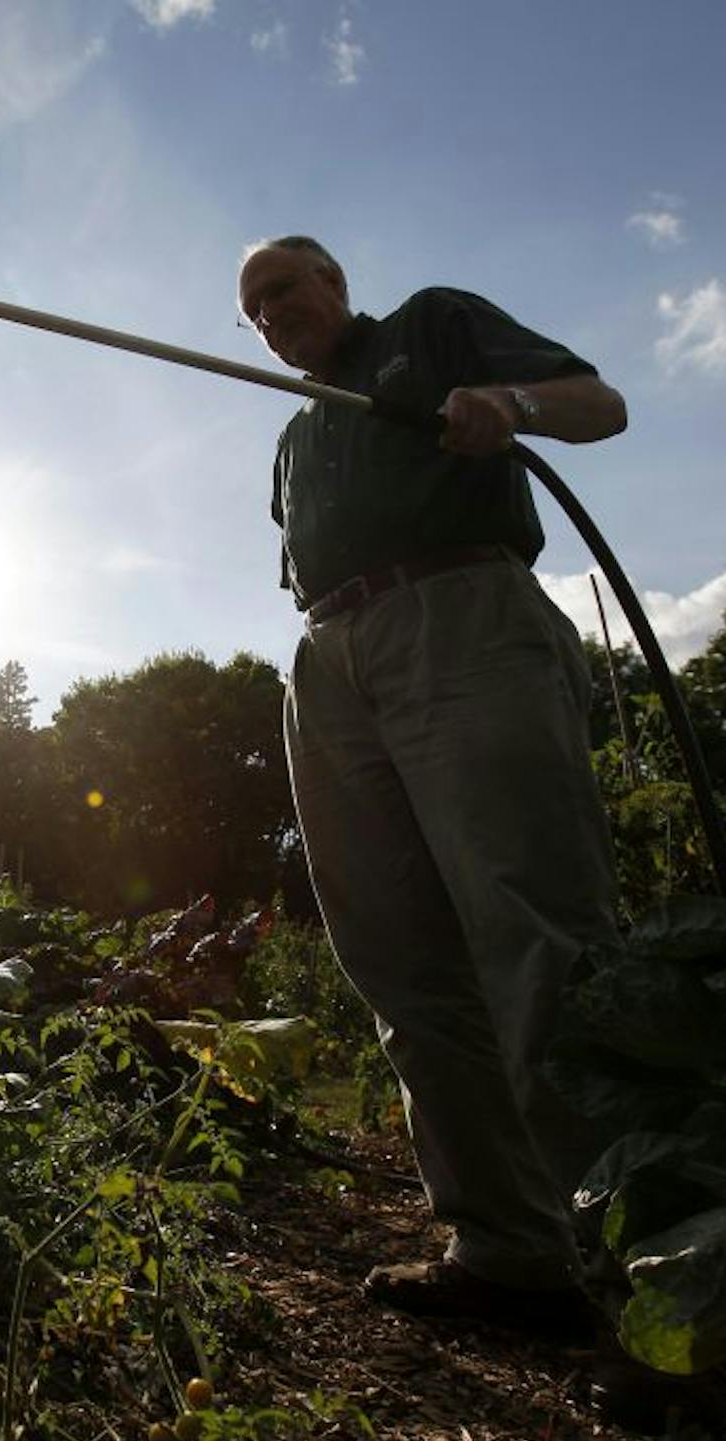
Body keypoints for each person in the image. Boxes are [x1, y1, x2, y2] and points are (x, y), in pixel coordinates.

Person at [237, 236, 625, 1332]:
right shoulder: (292, 433)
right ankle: (510, 1247)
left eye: (282, 290)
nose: (269, 316)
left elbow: (601, 403)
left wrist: (507, 402)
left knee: (541, 936)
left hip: (460, 622)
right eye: (252, 310)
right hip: (330, 663)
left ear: (332, 283)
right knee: (400, 965)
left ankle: (647, 1276)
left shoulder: (430, 328)